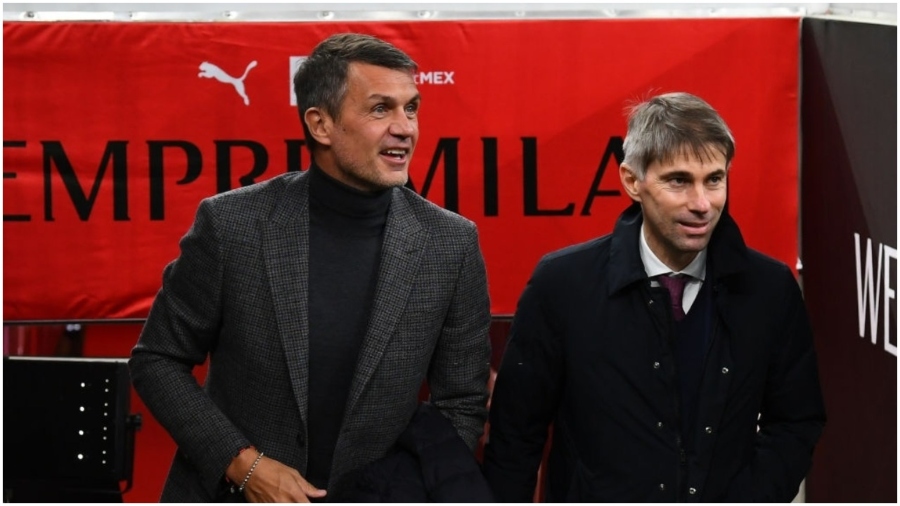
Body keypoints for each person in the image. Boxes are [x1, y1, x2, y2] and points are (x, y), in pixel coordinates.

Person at [129, 33, 491, 502]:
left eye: (412, 108)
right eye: (381, 109)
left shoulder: (450, 243)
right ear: (321, 125)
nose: (405, 128)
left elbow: (462, 402)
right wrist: (244, 465)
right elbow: (158, 360)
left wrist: (394, 492)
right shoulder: (232, 225)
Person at [483, 92, 826, 502]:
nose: (702, 204)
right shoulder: (561, 285)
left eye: (714, 179)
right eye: (678, 181)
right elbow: (515, 437)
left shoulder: (770, 289)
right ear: (632, 181)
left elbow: (795, 422)